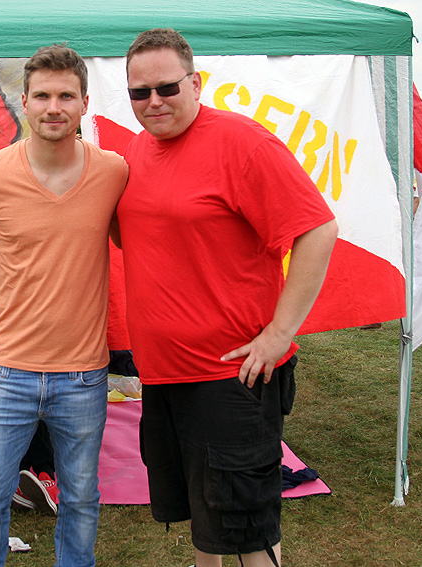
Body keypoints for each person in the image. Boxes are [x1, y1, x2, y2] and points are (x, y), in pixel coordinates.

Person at [117, 29, 339, 567]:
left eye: (167, 88)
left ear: (195, 83)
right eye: (140, 92)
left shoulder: (243, 143)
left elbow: (318, 229)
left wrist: (279, 334)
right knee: (206, 515)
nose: (153, 102)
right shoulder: (138, 148)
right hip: (163, 374)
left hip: (231, 376)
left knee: (246, 525)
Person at [0, 44, 128, 567]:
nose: (55, 107)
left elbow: (144, 241)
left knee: (80, 498)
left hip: (83, 375)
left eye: (66, 96)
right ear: (24, 101)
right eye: (43, 96)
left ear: (84, 103)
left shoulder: (113, 173)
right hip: (7, 372)